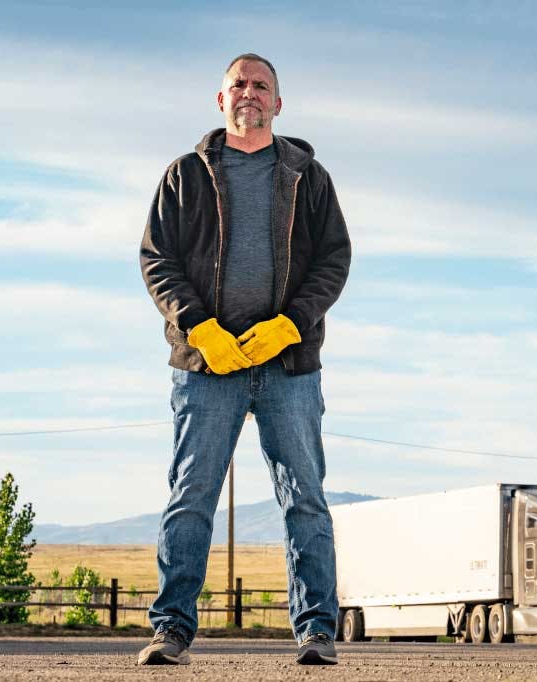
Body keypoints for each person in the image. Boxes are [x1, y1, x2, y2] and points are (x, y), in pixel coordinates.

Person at [137, 53, 351, 666]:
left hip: (289, 367)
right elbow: (157, 260)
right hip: (206, 367)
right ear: (220, 99)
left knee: (303, 497)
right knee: (190, 494)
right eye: (239, 84)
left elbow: (333, 259)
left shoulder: (309, 177)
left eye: (261, 86)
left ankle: (316, 630)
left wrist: (290, 324)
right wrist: (200, 328)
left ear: (278, 104)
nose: (249, 93)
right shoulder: (184, 175)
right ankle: (171, 629)